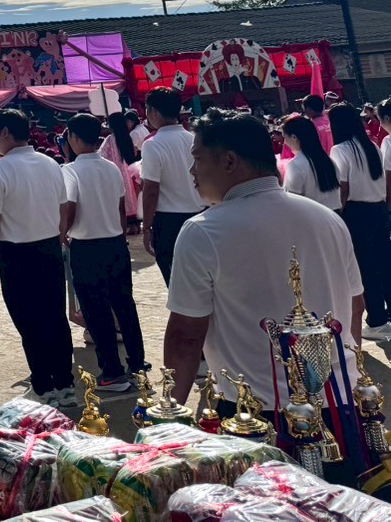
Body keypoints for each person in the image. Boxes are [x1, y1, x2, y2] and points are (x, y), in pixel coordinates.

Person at [163, 110, 363, 422]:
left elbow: (186, 338)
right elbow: (355, 305)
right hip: (340, 400)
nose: (192, 171)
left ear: (229, 161)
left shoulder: (203, 231)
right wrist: (347, 378)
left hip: (257, 413)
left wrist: (168, 413)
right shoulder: (328, 219)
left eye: (198, 159)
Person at [0, 109, 76, 407]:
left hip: (16, 254)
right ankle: (65, 384)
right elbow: (63, 207)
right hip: (49, 248)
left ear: (5, 133)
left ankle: (43, 386)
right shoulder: (50, 163)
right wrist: (58, 235)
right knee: (55, 317)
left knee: (29, 321)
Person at [60, 114, 147, 393]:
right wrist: (119, 236)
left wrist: (61, 233)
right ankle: (137, 363)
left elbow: (70, 209)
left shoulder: (70, 170)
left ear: (73, 137)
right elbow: (120, 208)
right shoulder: (110, 168)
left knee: (97, 312)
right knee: (124, 306)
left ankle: (111, 371)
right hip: (114, 244)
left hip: (87, 247)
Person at [328, 103, 391, 340]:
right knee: (385, 263)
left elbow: (342, 188)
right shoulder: (371, 145)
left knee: (366, 268)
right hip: (379, 209)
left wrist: (338, 213)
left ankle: (377, 320)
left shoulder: (340, 150)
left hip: (358, 212)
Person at [139, 89, 201, 286]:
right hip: (201, 215)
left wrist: (146, 227)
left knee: (176, 283)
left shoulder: (152, 144)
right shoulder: (194, 139)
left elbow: (151, 190)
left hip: (169, 222)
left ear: (153, 111)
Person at [280, 114, 342, 210]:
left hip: (313, 216)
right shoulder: (329, 161)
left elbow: (291, 200)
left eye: (285, 137)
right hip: (335, 215)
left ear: (294, 137)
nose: (285, 142)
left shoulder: (295, 165)